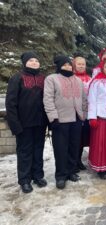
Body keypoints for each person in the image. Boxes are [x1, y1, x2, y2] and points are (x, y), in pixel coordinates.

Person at [6, 51, 48, 193]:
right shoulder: (17, 78)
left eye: (36, 61)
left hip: (40, 122)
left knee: (38, 149)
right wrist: (15, 125)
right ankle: (24, 180)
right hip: (24, 124)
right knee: (25, 152)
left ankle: (37, 176)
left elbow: (47, 101)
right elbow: (10, 104)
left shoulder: (43, 79)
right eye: (31, 61)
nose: (34, 63)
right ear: (24, 63)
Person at [44, 55, 87, 189]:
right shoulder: (52, 79)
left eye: (69, 65)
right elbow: (48, 99)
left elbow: (84, 99)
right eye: (64, 65)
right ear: (59, 66)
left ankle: (71, 171)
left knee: (74, 147)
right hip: (60, 120)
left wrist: (83, 115)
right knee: (61, 149)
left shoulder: (78, 81)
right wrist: (53, 117)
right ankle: (61, 175)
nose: (68, 67)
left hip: (76, 119)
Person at [73, 54, 92, 171]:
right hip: (75, 112)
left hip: (87, 113)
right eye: (78, 64)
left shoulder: (90, 79)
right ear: (74, 65)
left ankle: (79, 160)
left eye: (83, 64)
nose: (81, 66)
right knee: (76, 138)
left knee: (83, 138)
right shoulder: (71, 78)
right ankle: (74, 161)